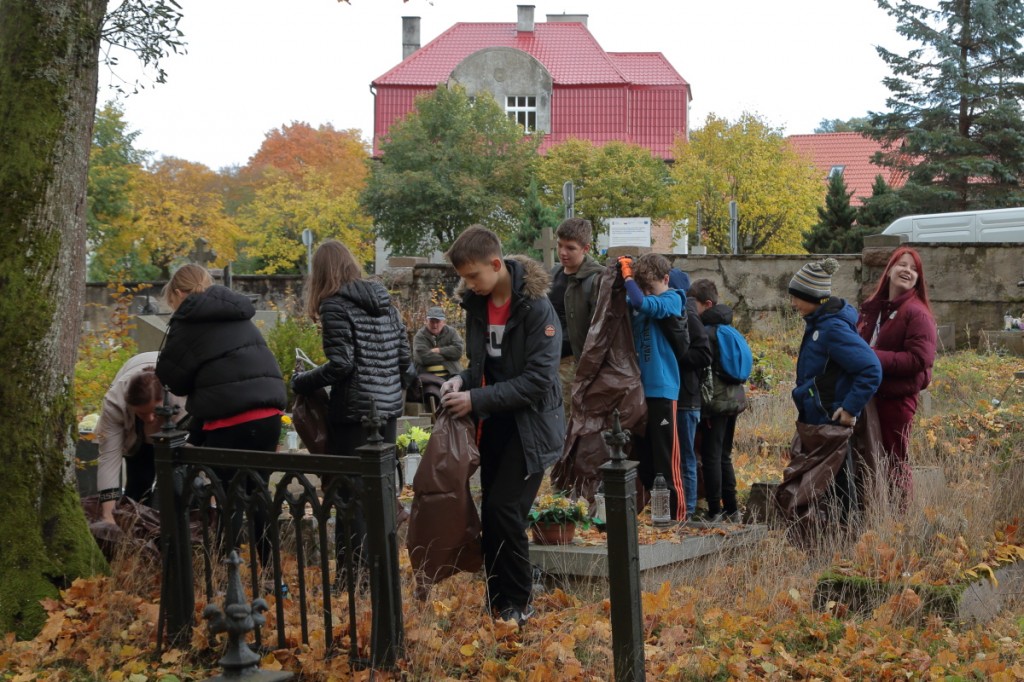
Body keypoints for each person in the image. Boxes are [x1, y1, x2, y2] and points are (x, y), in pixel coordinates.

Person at [439, 225, 564, 627]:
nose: (470, 285)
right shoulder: (475, 306)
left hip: (531, 429)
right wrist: (462, 380)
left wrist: (475, 398)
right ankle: (497, 604)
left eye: (474, 276)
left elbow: (537, 381)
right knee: (493, 516)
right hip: (494, 426)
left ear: (496, 264)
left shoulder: (536, 308)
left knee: (504, 510)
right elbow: (482, 366)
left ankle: (520, 602)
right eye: (464, 278)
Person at [291, 240, 410, 583]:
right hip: (385, 413)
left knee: (348, 497)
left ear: (322, 273)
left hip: (354, 413)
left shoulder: (335, 306)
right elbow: (405, 362)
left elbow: (342, 365)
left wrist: (302, 381)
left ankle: (352, 578)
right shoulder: (385, 303)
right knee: (381, 493)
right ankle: (383, 572)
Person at [156, 264, 287, 563]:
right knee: (259, 495)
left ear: (178, 294)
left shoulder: (188, 321)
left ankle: (224, 574)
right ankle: (272, 573)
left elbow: (171, 378)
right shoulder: (238, 314)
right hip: (268, 416)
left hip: (230, 422)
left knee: (229, 498)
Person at [856, 247, 936, 501]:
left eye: (914, 269)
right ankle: (872, 513)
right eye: (902, 265)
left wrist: (873, 357)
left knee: (894, 462)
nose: (907, 271)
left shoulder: (917, 312)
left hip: (897, 400)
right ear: (889, 270)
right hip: (868, 396)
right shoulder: (873, 308)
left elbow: (919, 359)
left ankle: (898, 522)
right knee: (867, 457)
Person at [620, 253, 687, 521]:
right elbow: (628, 302)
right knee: (645, 459)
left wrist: (628, 277)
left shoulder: (672, 298)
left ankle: (677, 518)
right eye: (644, 287)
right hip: (640, 391)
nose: (648, 294)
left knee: (666, 459)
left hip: (662, 389)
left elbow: (638, 300)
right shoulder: (645, 302)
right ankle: (654, 513)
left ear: (666, 280)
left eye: (652, 287)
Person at [95, 351, 187, 524]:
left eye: (155, 411)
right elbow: (109, 456)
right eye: (142, 413)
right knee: (138, 484)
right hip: (136, 439)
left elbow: (199, 445)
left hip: (176, 434)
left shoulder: (182, 397)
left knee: (177, 486)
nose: (151, 419)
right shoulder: (115, 402)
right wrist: (108, 514)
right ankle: (134, 530)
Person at [789, 258, 882, 427]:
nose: (793, 303)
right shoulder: (819, 323)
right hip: (817, 419)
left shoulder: (832, 328)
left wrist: (849, 408)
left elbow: (871, 369)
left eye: (796, 297)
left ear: (813, 297)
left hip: (829, 421)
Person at [689, 279, 744, 522]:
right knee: (724, 455)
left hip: (715, 403)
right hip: (734, 399)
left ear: (707, 304)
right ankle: (732, 509)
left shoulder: (707, 332)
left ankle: (714, 511)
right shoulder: (729, 328)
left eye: (695, 304)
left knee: (711, 456)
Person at [547, 218, 604, 418]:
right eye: (560, 245)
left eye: (570, 248)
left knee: (567, 423)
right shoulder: (552, 275)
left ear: (585, 248)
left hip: (575, 363)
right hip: (547, 361)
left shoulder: (598, 280)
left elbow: (601, 331)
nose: (562, 252)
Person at [668, 268, 712, 519]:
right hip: (675, 396)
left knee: (686, 457)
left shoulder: (689, 316)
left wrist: (678, 358)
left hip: (687, 399)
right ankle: (679, 507)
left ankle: (690, 509)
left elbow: (704, 355)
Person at [412, 306, 464, 379]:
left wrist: (439, 350)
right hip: (426, 377)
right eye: (432, 322)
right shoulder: (420, 336)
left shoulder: (452, 332)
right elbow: (422, 357)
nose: (435, 325)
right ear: (426, 321)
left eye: (438, 322)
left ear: (444, 322)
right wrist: (449, 357)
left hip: (451, 374)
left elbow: (458, 351)